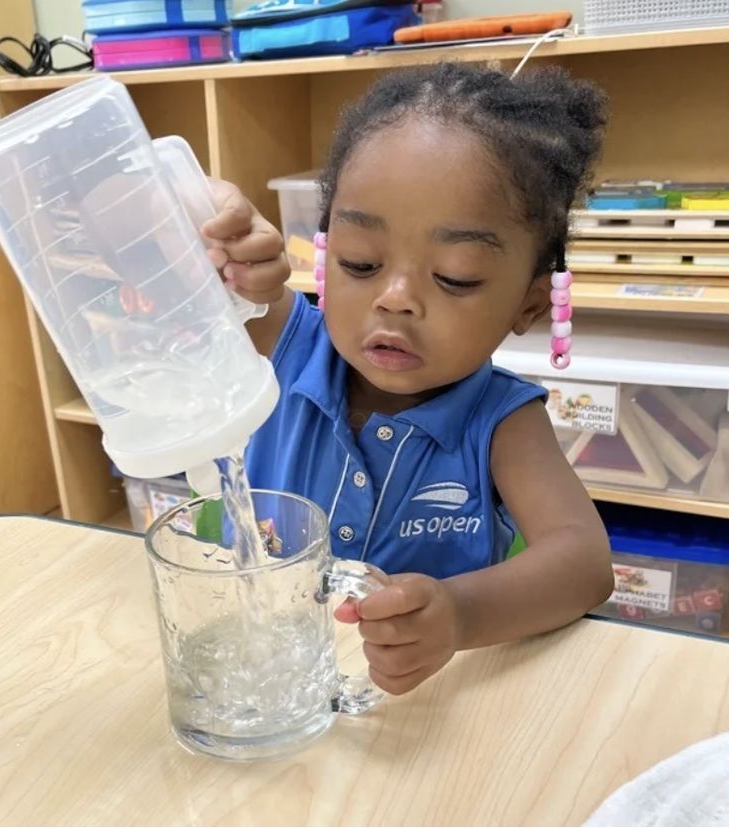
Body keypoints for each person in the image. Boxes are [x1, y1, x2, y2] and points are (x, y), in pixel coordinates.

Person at [201, 61, 614, 696]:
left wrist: (459, 614)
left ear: (529, 305)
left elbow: (584, 565)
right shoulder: (283, 340)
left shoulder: (501, 420)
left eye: (455, 276)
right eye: (360, 262)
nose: (395, 298)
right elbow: (167, 258)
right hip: (262, 674)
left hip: (412, 705)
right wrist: (213, 231)